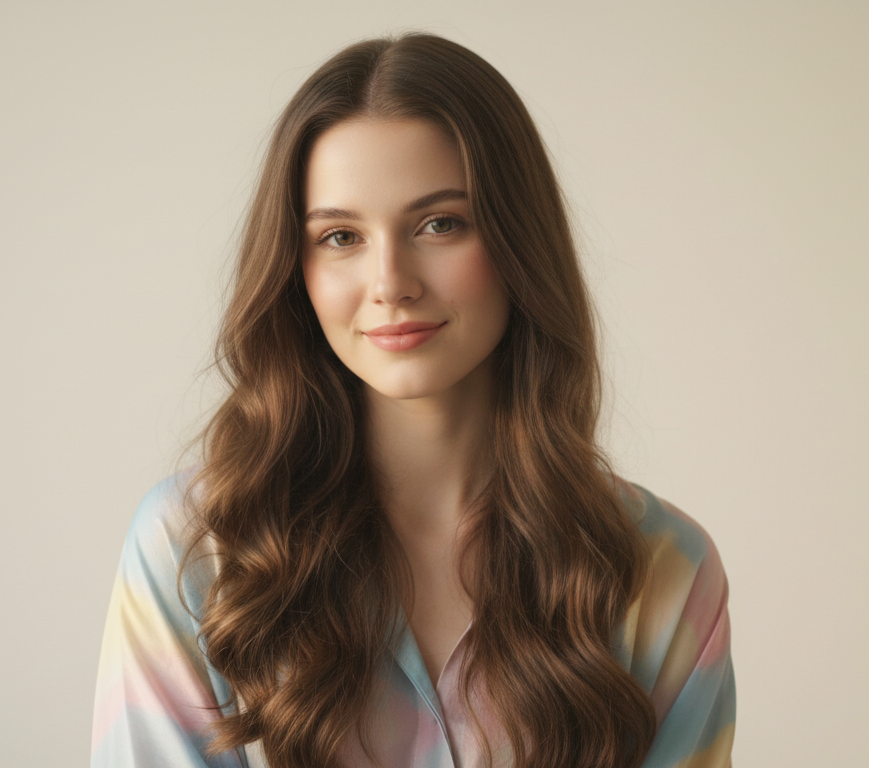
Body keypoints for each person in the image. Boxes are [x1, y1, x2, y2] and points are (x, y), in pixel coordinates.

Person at [91, 33, 734, 768]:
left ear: (520, 241)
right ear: (295, 269)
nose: (390, 280)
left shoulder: (664, 570)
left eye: (440, 224)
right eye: (340, 236)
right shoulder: (196, 551)